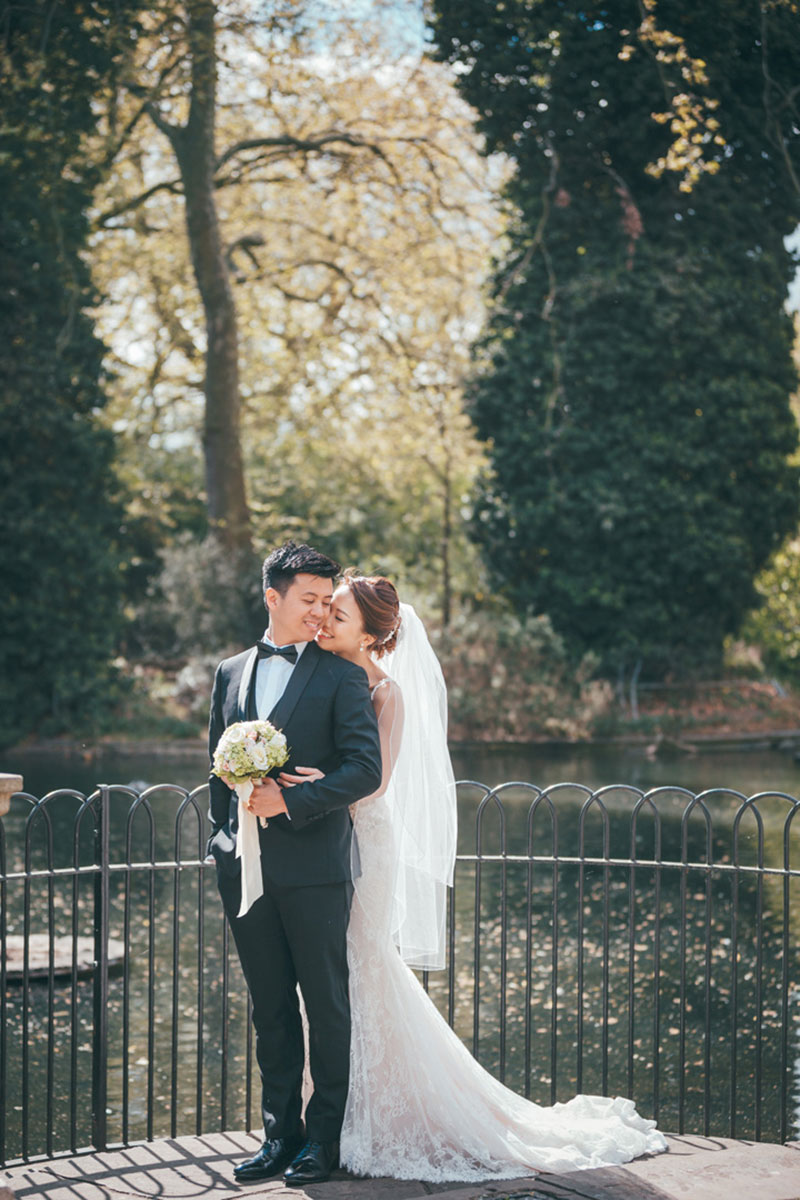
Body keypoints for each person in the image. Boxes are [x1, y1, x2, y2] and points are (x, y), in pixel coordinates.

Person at [278, 572, 668, 1182]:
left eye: (340, 615)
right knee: (334, 977)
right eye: (327, 610)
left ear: (373, 634)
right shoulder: (326, 674)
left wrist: (312, 789)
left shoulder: (386, 692)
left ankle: (380, 1117)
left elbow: (375, 782)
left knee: (363, 967)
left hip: (366, 843)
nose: (325, 621)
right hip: (323, 842)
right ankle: (340, 1114)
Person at [206, 542, 382, 1187]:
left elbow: (366, 769)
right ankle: (279, 1136)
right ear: (272, 597)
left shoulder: (341, 676)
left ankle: (322, 1144)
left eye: (325, 601)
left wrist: (295, 798)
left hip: (316, 867)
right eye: (308, 600)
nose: (319, 612)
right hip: (245, 873)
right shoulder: (228, 672)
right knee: (269, 1007)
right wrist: (221, 845)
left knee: (326, 1006)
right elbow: (217, 772)